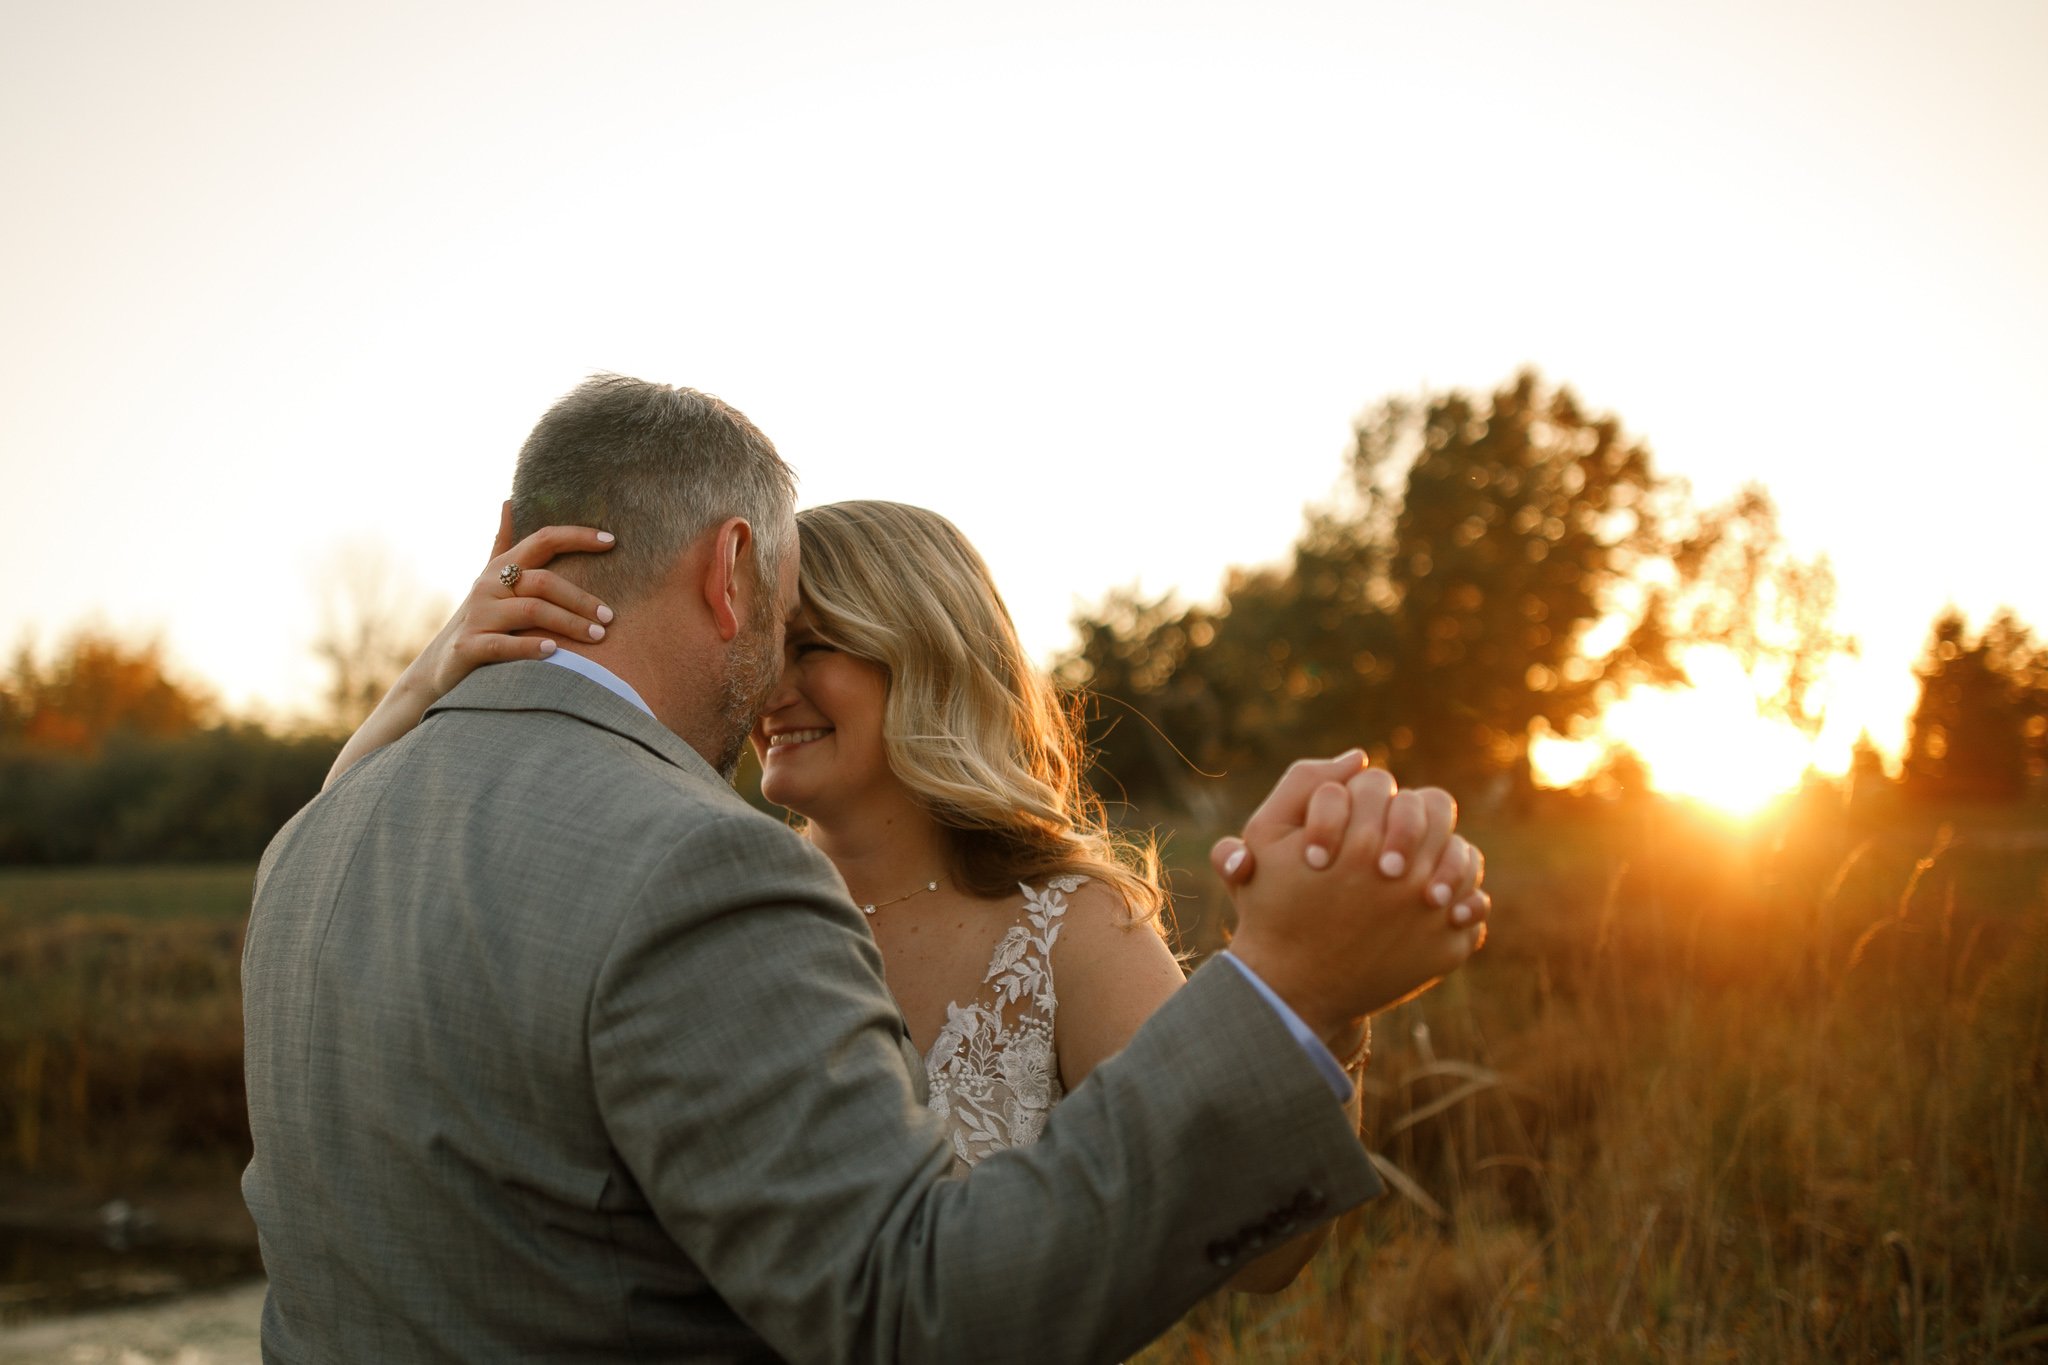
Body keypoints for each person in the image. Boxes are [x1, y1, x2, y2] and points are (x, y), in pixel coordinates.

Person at [245, 374, 1489, 1364]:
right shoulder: (706, 881)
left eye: (818, 643)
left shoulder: (313, 848)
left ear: (930, 657)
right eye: (778, 627)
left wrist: (1324, 1011)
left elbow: (1259, 1241)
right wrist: (1296, 990)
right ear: (728, 574)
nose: (776, 679)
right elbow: (915, 1309)